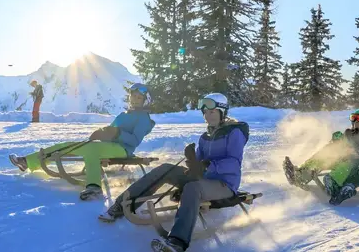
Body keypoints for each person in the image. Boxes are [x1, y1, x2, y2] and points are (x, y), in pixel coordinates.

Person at [98, 93, 248, 252]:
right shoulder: (206, 136)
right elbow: (198, 163)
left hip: (224, 184)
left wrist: (207, 165)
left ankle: (177, 242)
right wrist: (192, 159)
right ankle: (121, 205)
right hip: (202, 178)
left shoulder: (234, 133)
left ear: (222, 112)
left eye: (212, 112)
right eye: (205, 112)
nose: (208, 116)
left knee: (193, 188)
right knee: (165, 169)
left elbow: (234, 163)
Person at [10, 83, 155, 200]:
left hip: (123, 150)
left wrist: (118, 133)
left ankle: (94, 187)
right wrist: (101, 133)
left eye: (139, 98)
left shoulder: (144, 118)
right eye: (133, 96)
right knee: (70, 146)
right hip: (109, 146)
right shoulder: (123, 115)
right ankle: (28, 161)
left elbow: (135, 140)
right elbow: (110, 130)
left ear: (145, 101)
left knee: (92, 149)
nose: (135, 99)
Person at [282, 109, 359, 187]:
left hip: (352, 165)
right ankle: (299, 176)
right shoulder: (351, 133)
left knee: (332, 157)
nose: (356, 124)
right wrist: (337, 139)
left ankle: (333, 184)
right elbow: (342, 143)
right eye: (354, 122)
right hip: (340, 158)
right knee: (323, 154)